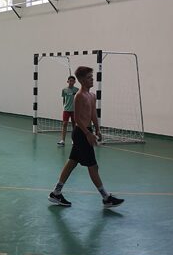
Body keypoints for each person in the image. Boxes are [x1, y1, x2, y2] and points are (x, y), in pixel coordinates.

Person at [49, 66, 124, 208]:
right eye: (89, 77)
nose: (92, 79)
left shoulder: (92, 95)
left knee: (72, 162)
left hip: (87, 131)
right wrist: (88, 134)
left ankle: (56, 193)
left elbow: (93, 113)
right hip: (81, 133)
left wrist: (97, 129)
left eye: (92, 77)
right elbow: (77, 118)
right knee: (93, 166)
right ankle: (106, 198)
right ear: (82, 80)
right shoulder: (79, 96)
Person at [57, 75, 78, 146]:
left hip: (74, 110)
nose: (71, 82)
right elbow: (64, 99)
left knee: (74, 125)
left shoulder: (77, 90)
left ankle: (74, 140)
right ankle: (62, 140)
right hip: (66, 110)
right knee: (64, 124)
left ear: (74, 82)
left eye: (72, 81)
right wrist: (65, 106)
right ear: (67, 81)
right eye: (70, 81)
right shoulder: (64, 90)